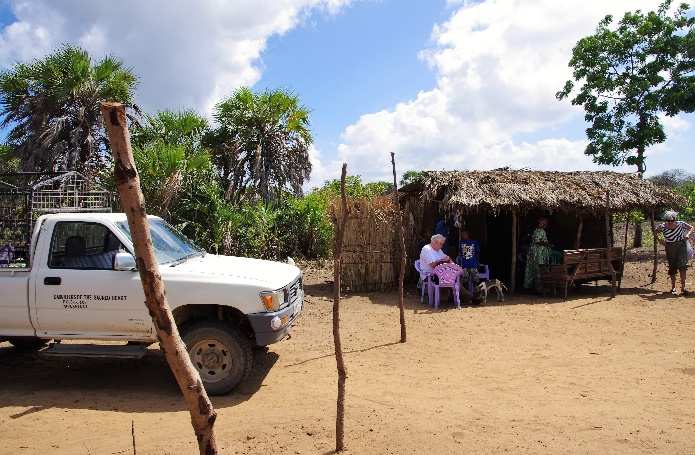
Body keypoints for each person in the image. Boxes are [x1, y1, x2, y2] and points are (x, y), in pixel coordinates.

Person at [658, 210, 693, 296]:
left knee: (682, 266)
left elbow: (691, 227)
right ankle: (673, 287)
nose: (670, 222)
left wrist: (688, 234)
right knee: (672, 266)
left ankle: (683, 288)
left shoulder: (681, 223)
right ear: (666, 220)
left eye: (672, 220)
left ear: (675, 219)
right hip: (670, 247)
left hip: (681, 246)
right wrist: (660, 240)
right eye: (668, 221)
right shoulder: (662, 226)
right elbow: (655, 232)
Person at [524, 217, 551, 291]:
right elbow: (537, 241)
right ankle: (538, 287)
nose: (545, 225)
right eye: (544, 223)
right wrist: (546, 244)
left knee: (533, 268)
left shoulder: (538, 230)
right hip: (537, 252)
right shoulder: (539, 231)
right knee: (538, 268)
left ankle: (532, 286)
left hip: (535, 252)